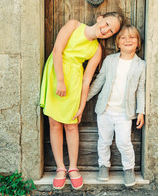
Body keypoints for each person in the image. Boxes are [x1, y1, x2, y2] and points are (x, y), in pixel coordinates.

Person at [40, 12, 123, 190]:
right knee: (54, 123)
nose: (106, 30)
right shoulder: (74, 25)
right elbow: (57, 50)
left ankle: (73, 167)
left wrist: (82, 105)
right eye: (107, 24)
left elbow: (87, 79)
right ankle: (60, 168)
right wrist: (60, 81)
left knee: (71, 124)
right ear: (100, 18)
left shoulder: (97, 50)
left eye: (111, 31)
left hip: (74, 82)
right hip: (56, 74)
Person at [87, 25, 146, 187]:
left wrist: (141, 111)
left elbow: (141, 90)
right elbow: (99, 81)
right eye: (123, 38)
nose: (128, 40)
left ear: (138, 44)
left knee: (124, 142)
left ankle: (128, 169)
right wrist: (83, 99)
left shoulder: (141, 65)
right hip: (105, 110)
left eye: (132, 37)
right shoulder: (110, 60)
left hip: (124, 114)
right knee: (104, 140)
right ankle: (103, 165)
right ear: (118, 44)